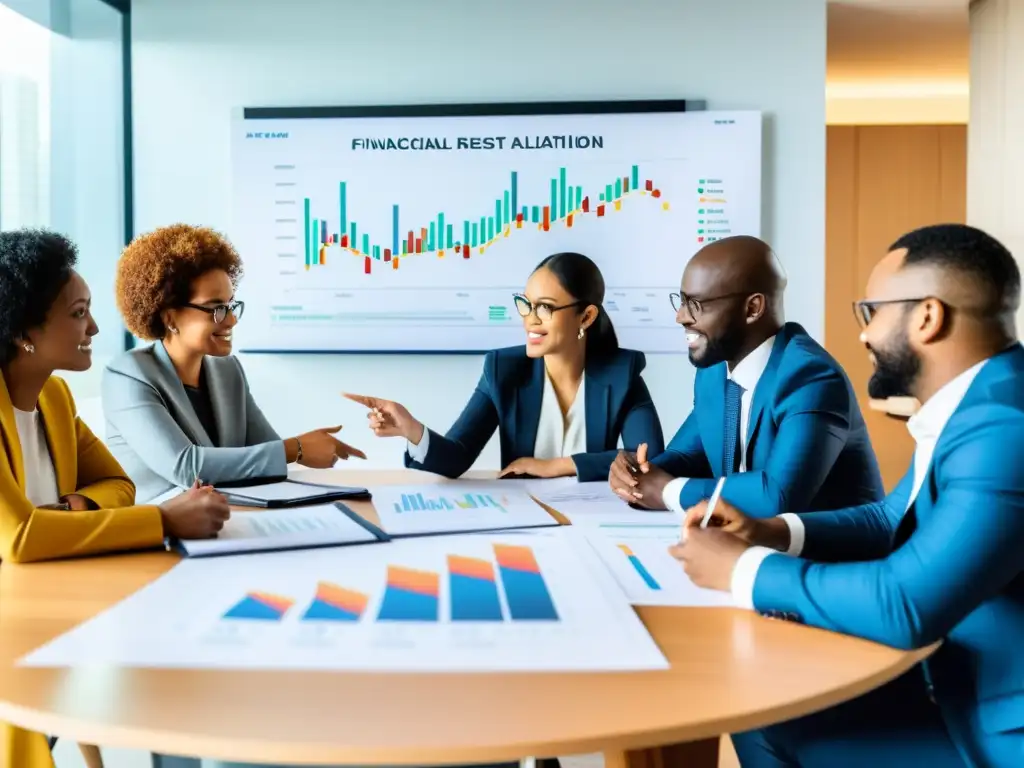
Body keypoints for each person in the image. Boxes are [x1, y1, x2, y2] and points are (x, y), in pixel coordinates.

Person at [673, 223, 1024, 767]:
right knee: (757, 704)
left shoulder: (1005, 427)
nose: (862, 335)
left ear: (927, 316)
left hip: (989, 735)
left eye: (872, 312)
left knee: (762, 704)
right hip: (951, 682)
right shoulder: (981, 402)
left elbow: (905, 605)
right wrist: (770, 531)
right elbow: (890, 517)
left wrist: (743, 570)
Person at [0, 229, 231, 768]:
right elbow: (20, 536)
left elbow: (118, 484)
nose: (96, 328)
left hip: (42, 600)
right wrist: (162, 520)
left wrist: (71, 510)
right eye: (79, 313)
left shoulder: (54, 397)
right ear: (24, 332)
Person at [608, 235, 883, 517]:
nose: (680, 317)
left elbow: (776, 497)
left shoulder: (811, 377)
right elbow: (688, 455)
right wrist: (639, 473)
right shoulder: (713, 371)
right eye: (681, 301)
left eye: (695, 304)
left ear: (752, 308)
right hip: (754, 543)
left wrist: (667, 491)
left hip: (834, 555)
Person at [344, 251, 664, 482]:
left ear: (586, 317)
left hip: (596, 519)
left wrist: (556, 465)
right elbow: (457, 456)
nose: (530, 319)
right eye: (526, 304)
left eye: (545, 308)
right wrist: (410, 428)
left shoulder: (622, 372)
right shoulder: (503, 370)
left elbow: (648, 457)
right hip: (524, 516)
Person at [102, 224, 365, 503]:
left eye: (230, 305)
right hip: (160, 530)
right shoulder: (127, 376)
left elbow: (266, 458)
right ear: (169, 318)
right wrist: (295, 449)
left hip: (228, 519)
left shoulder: (227, 371)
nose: (231, 320)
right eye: (216, 309)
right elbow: (186, 467)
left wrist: (297, 450)